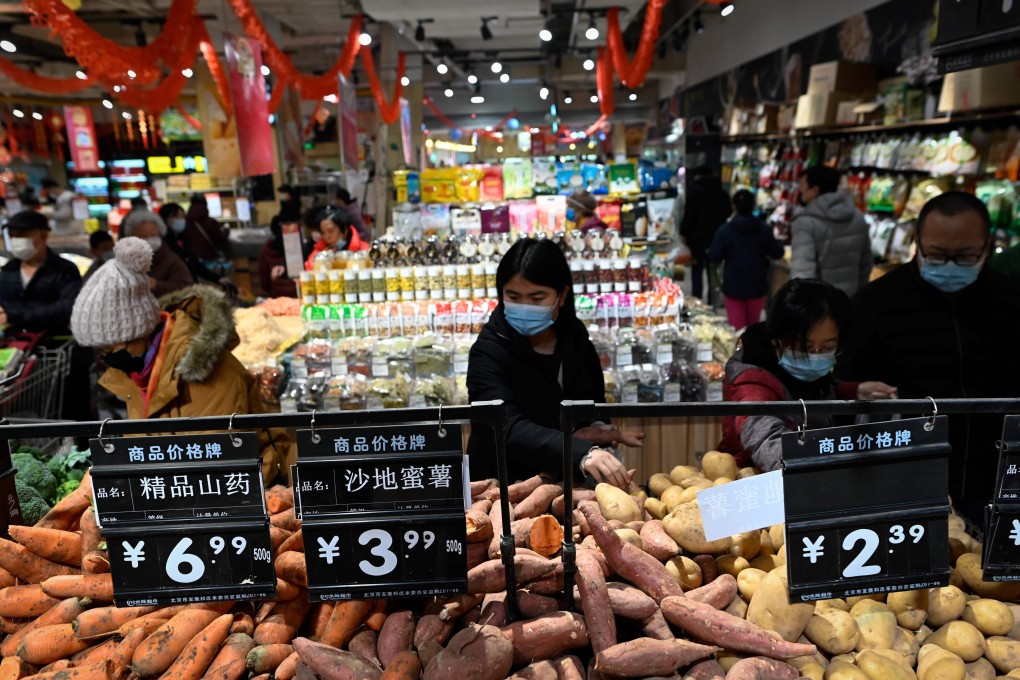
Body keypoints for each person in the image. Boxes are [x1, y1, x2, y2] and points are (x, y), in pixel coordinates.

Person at [842, 192, 1020, 522]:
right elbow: (842, 387)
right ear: (918, 244)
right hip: (905, 481)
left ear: (987, 246)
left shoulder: (1011, 302)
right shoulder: (875, 303)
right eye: (937, 255)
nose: (950, 265)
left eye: (965, 255)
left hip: (1000, 481)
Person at [69, 237, 292, 483]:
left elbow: (217, 463)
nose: (106, 356)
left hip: (248, 489)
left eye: (110, 346)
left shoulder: (203, 370)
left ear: (139, 330)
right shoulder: (140, 371)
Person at [466, 238, 644, 487]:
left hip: (565, 482)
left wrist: (598, 430)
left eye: (537, 298)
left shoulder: (575, 337)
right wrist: (580, 450)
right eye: (514, 296)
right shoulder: (488, 350)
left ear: (562, 296)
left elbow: (591, 401)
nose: (525, 306)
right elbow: (504, 426)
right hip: (501, 486)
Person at [718, 278, 897, 471]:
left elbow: (815, 391)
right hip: (755, 479)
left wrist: (854, 392)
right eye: (805, 348)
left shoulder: (805, 374)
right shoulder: (752, 382)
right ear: (775, 341)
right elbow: (766, 442)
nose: (816, 356)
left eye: (828, 347)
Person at [789, 166, 873, 296]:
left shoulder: (805, 223)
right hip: (849, 299)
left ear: (815, 190)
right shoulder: (858, 217)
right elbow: (866, 263)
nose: (801, 190)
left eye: (803, 186)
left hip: (820, 305)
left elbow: (802, 272)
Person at [708, 189, 785, 330]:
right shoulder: (764, 229)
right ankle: (753, 352)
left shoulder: (725, 231)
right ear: (753, 205)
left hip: (733, 287)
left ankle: (741, 352)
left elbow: (714, 256)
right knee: (754, 328)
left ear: (734, 207)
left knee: (738, 331)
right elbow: (777, 253)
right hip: (757, 286)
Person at [0, 210, 82, 334]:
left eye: (23, 235)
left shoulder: (64, 270)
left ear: (43, 235)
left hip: (53, 344)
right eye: (13, 235)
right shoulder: (8, 270)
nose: (16, 240)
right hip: (14, 344)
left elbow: (66, 308)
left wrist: (14, 315)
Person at [680, 165, 732, 302]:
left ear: (697, 176)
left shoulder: (694, 191)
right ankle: (713, 300)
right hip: (717, 236)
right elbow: (728, 211)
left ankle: (697, 300)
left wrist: (684, 232)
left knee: (697, 271)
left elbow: (689, 215)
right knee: (713, 269)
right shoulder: (721, 191)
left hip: (696, 238)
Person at [120, 209, 194, 296]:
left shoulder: (171, 260)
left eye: (153, 235)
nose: (148, 240)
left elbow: (187, 286)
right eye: (143, 237)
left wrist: (156, 284)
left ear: (160, 234)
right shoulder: (125, 260)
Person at [304, 206, 369, 269]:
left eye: (330, 231)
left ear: (345, 231)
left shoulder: (364, 249)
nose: (327, 237)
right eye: (323, 233)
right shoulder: (320, 250)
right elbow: (309, 267)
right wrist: (322, 260)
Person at [185, 194, 231, 275]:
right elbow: (220, 238)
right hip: (210, 259)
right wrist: (226, 230)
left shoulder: (185, 222)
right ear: (205, 205)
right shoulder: (210, 222)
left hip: (192, 262)